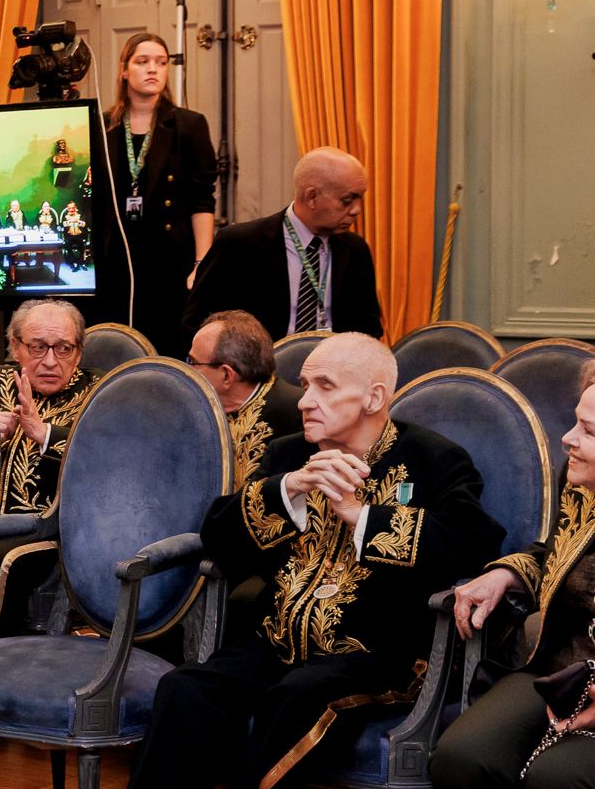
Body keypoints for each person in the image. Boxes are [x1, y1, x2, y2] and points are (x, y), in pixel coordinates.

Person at [34, 333, 502, 789]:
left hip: (378, 656)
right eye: (304, 385)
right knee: (185, 690)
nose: (304, 400)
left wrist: (360, 516)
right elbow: (218, 536)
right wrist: (289, 493)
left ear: (374, 397)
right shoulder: (289, 455)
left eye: (324, 387)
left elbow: (471, 547)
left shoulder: (435, 460)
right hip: (278, 640)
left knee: (297, 699)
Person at [435, 363, 595, 789]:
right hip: (557, 668)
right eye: (576, 422)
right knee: (464, 761)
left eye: (587, 430)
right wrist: (507, 572)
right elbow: (556, 553)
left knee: (557, 784)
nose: (568, 439)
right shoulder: (582, 482)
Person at [0, 299, 101, 638]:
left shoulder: (100, 393)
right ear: (15, 347)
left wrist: (43, 433)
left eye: (63, 348)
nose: (50, 361)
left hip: (53, 531)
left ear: (78, 353)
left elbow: (105, 457)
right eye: (37, 347)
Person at [93, 32, 218, 357]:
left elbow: (202, 200)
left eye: (161, 63)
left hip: (169, 262)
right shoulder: (102, 125)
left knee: (166, 350)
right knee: (113, 350)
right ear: (124, 70)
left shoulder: (188, 125)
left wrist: (201, 265)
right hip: (115, 262)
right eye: (143, 62)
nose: (153, 69)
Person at [184, 147, 383, 346]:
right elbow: (198, 321)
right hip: (260, 362)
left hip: (334, 362)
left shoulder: (355, 250)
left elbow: (369, 329)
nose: (356, 210)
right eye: (346, 201)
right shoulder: (239, 244)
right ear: (312, 197)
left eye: (359, 199)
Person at [187, 309, 305, 487]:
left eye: (193, 362)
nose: (188, 371)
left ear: (227, 375)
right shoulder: (189, 410)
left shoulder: (300, 415)